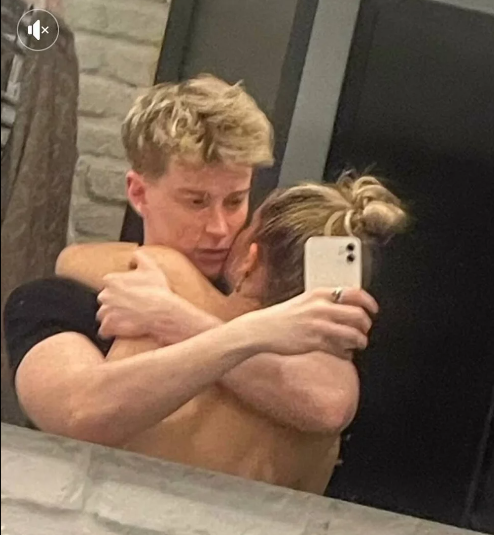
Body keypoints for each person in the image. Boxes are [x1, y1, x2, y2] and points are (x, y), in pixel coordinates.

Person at [3, 75, 398, 477]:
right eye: (196, 201)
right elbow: (77, 413)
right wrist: (247, 332)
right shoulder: (59, 302)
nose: (219, 228)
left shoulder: (271, 301)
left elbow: (329, 401)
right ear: (138, 193)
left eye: (235, 201)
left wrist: (175, 317)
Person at [52, 174, 407, 493]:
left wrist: (173, 314)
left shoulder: (170, 278)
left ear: (250, 261)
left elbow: (71, 259)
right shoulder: (321, 417)